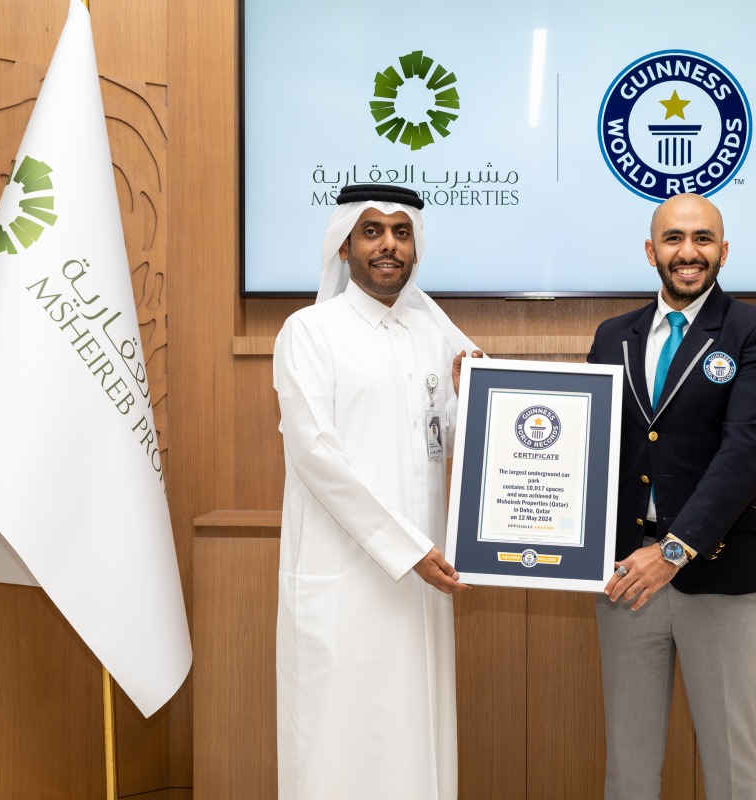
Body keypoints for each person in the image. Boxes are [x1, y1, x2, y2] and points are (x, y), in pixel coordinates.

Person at [272, 184, 481, 800]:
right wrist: (407, 547)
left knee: (417, 739)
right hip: (346, 575)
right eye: (372, 231)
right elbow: (316, 454)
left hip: (423, 579)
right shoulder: (308, 331)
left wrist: (479, 399)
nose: (388, 245)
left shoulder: (436, 337)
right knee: (338, 742)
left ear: (415, 248)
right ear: (344, 247)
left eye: (401, 232)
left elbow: (456, 442)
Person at [587, 193, 756, 800]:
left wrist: (672, 550)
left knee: (730, 767)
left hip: (719, 573)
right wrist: (492, 389)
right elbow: (586, 437)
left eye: (703, 239)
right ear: (651, 251)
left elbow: (746, 452)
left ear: (723, 252)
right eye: (674, 239)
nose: (689, 252)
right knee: (629, 765)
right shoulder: (612, 335)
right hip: (626, 576)